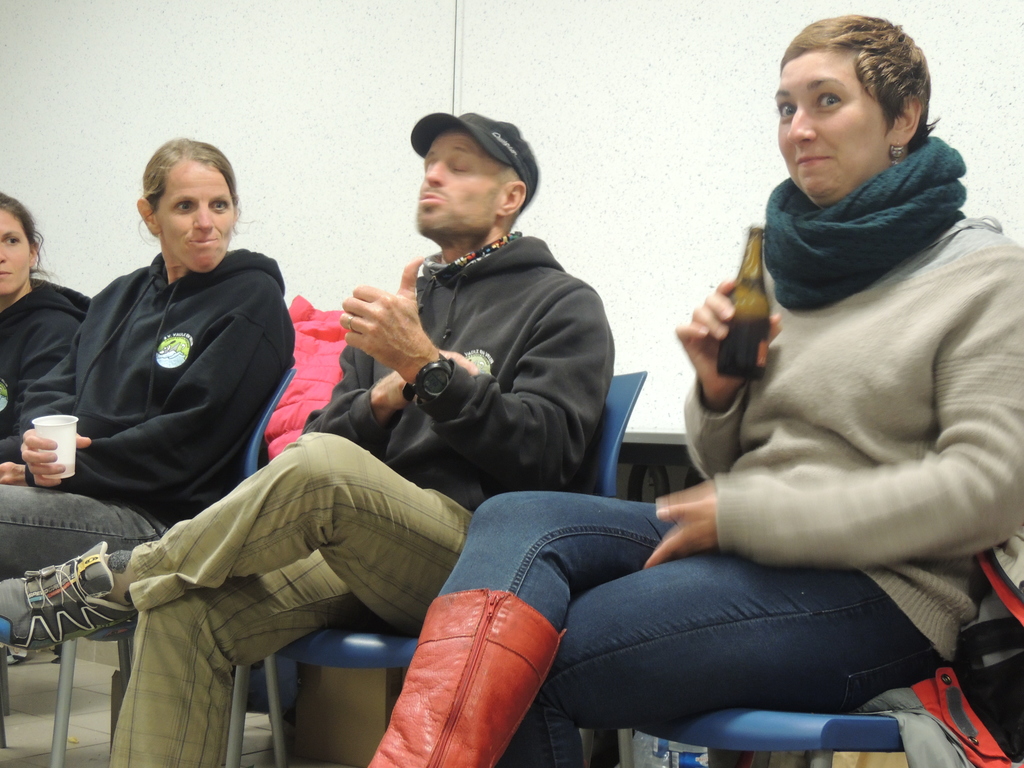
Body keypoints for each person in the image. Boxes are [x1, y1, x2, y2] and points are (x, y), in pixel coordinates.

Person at [367, 16, 1024, 768]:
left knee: (527, 668)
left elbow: (988, 491)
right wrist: (719, 394)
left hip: (883, 593)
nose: (799, 129)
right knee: (516, 519)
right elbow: (723, 464)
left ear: (903, 117)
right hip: (752, 547)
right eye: (785, 107)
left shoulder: (984, 276)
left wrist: (752, 513)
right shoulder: (783, 271)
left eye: (827, 101)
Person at [0, 112, 614, 768]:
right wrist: (384, 397)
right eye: (430, 162)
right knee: (182, 610)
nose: (433, 175)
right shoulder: (398, 312)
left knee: (323, 468)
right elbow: (322, 436)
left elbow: (548, 460)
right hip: (363, 550)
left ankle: (107, 579)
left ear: (510, 196)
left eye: (458, 166)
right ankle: (125, 581)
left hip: (482, 559)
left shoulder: (563, 304)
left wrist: (430, 373)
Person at [0, 139, 294, 580]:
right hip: (81, 491)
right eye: (185, 206)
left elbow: (189, 441)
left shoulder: (253, 300)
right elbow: (55, 386)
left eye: (219, 205)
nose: (205, 223)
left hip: (165, 521)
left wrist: (73, 470)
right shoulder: (120, 296)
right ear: (150, 215)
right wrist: (40, 446)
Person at [0, 193, 89, 483]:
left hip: (28, 486)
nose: (1, 255)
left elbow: (33, 438)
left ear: (32, 252)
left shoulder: (55, 328)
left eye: (11, 240)